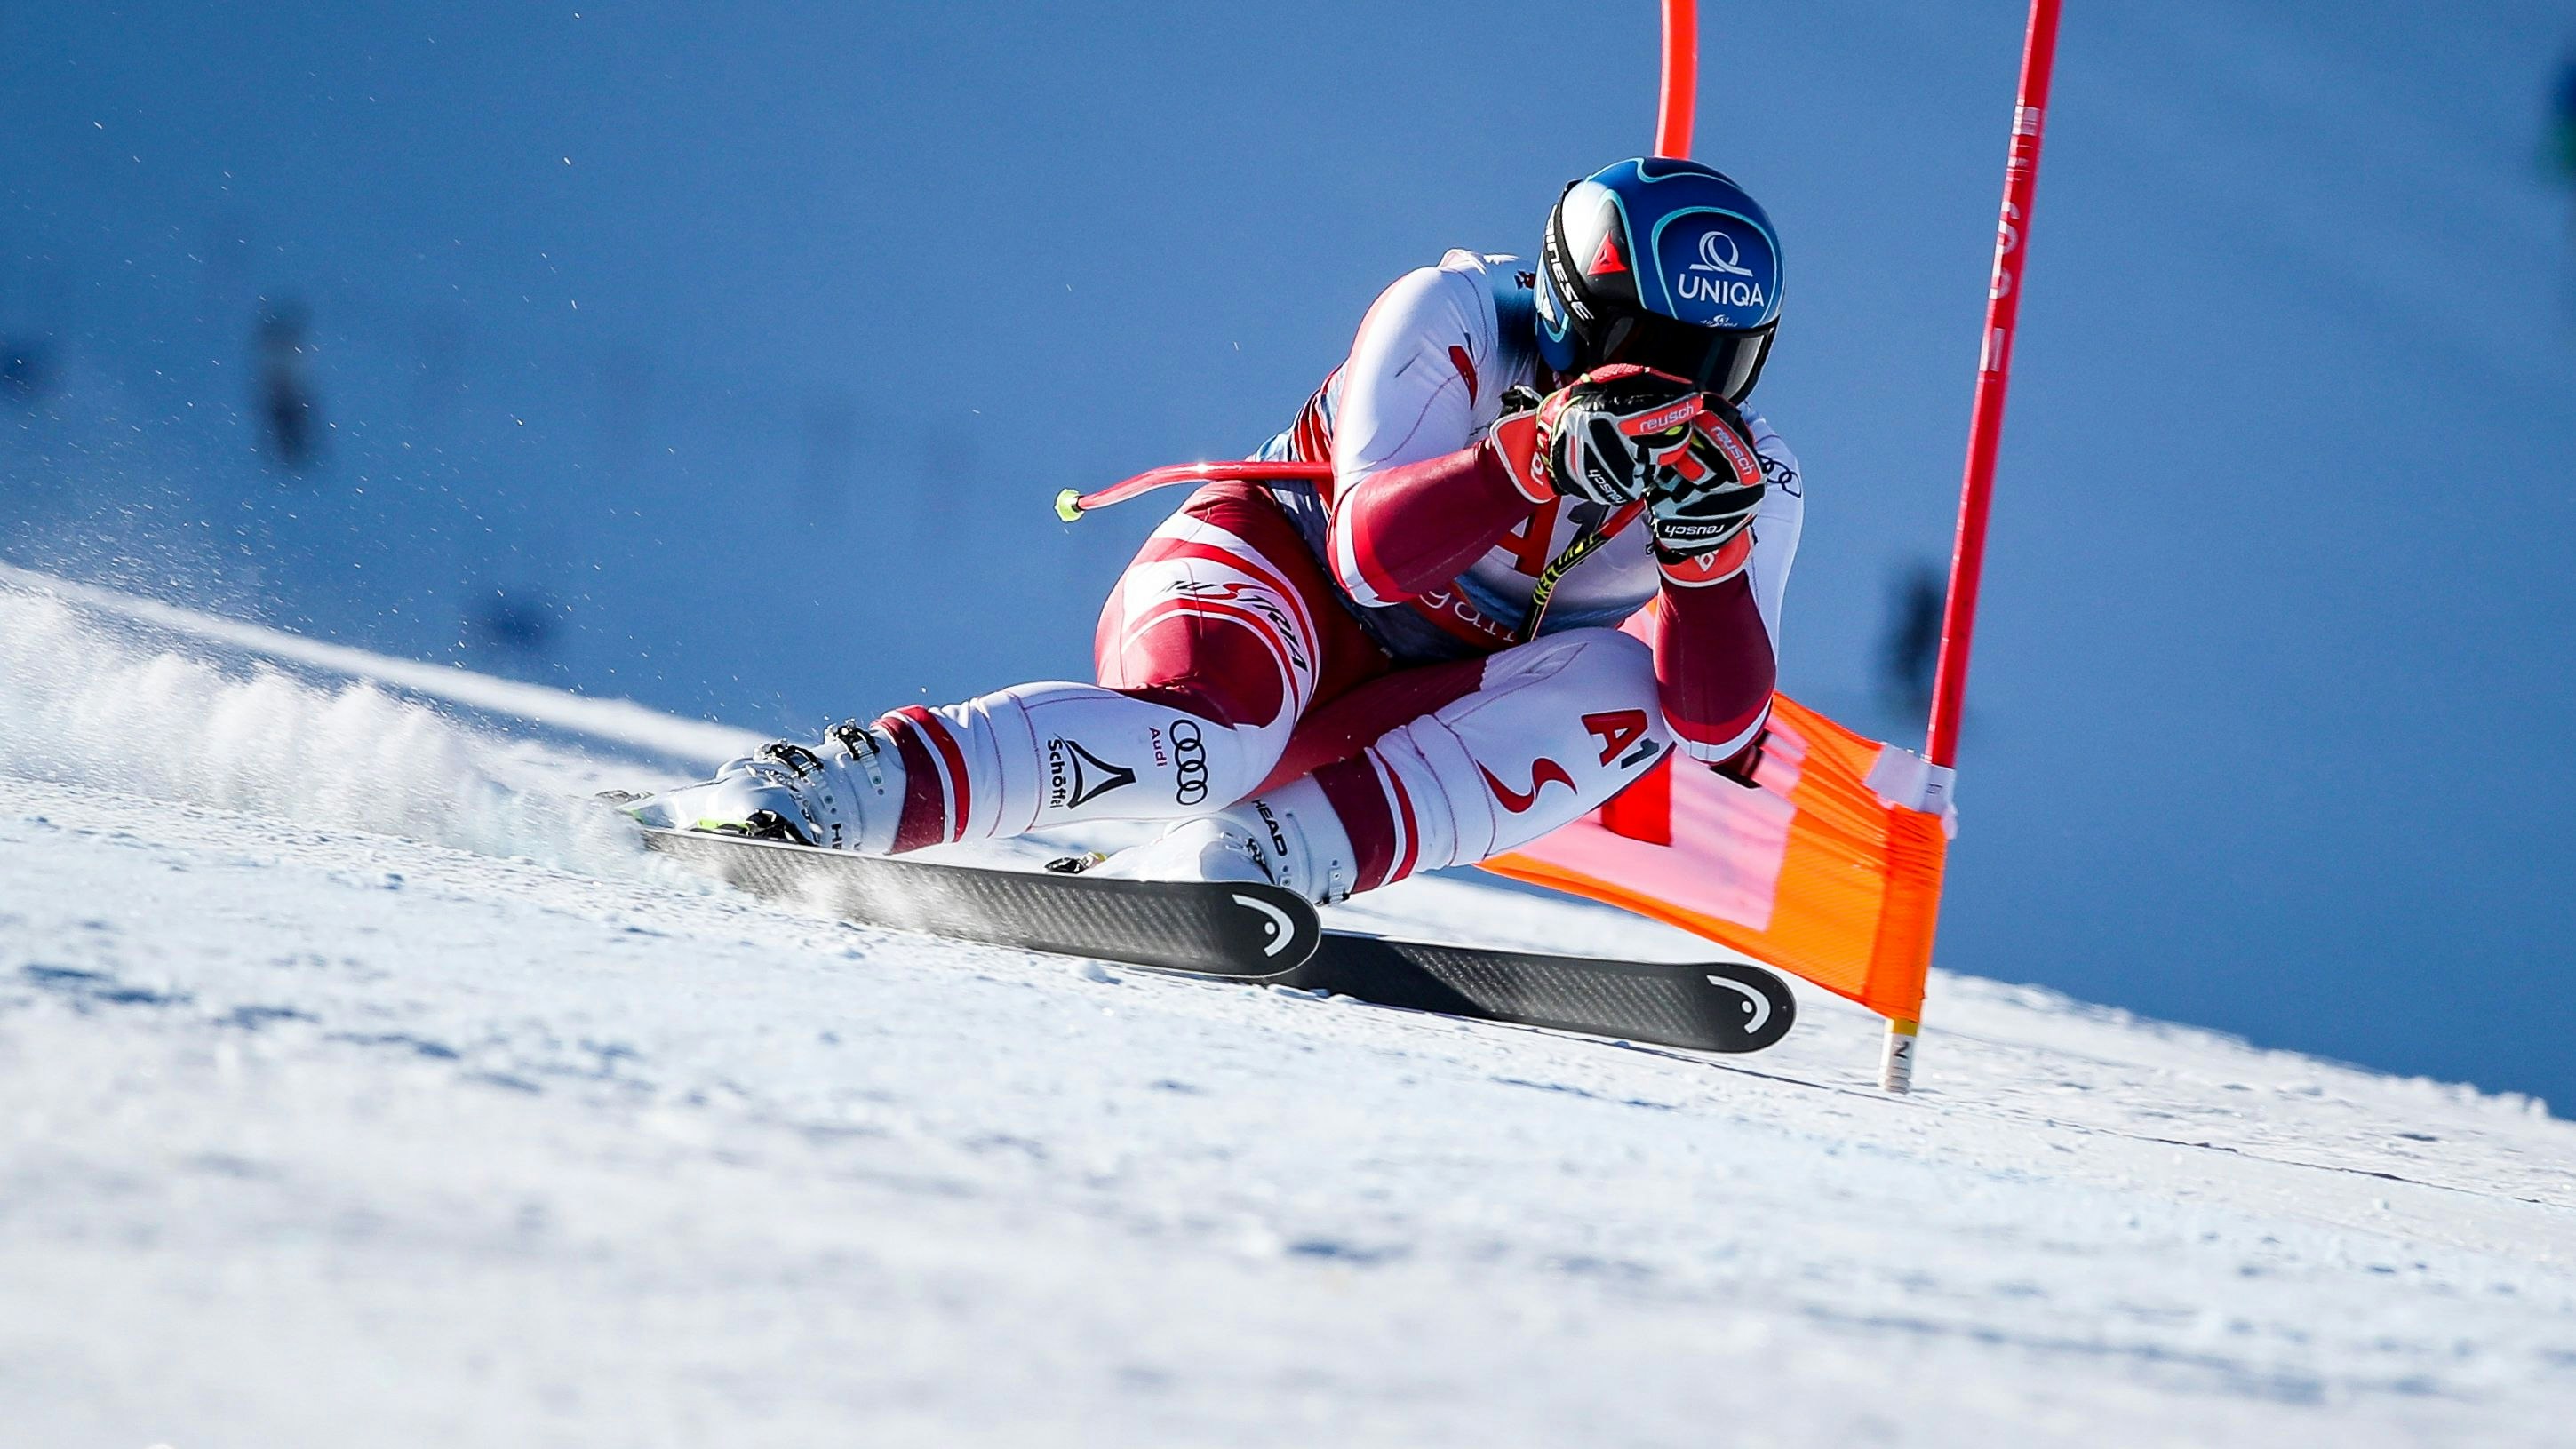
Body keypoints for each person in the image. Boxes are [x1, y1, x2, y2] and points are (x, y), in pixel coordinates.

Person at [635, 157, 1806, 905]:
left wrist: (1709, 568)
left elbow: (1715, 733)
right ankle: (827, 788)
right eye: (1639, 351)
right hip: (1267, 581)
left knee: (1621, 682)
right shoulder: (1451, 316)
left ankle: (1257, 861)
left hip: (1401, 704)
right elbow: (1370, 556)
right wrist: (1533, 450)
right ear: (1565, 307)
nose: (1673, 399)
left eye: (1716, 365)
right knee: (1220, 738)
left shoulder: (1751, 472)